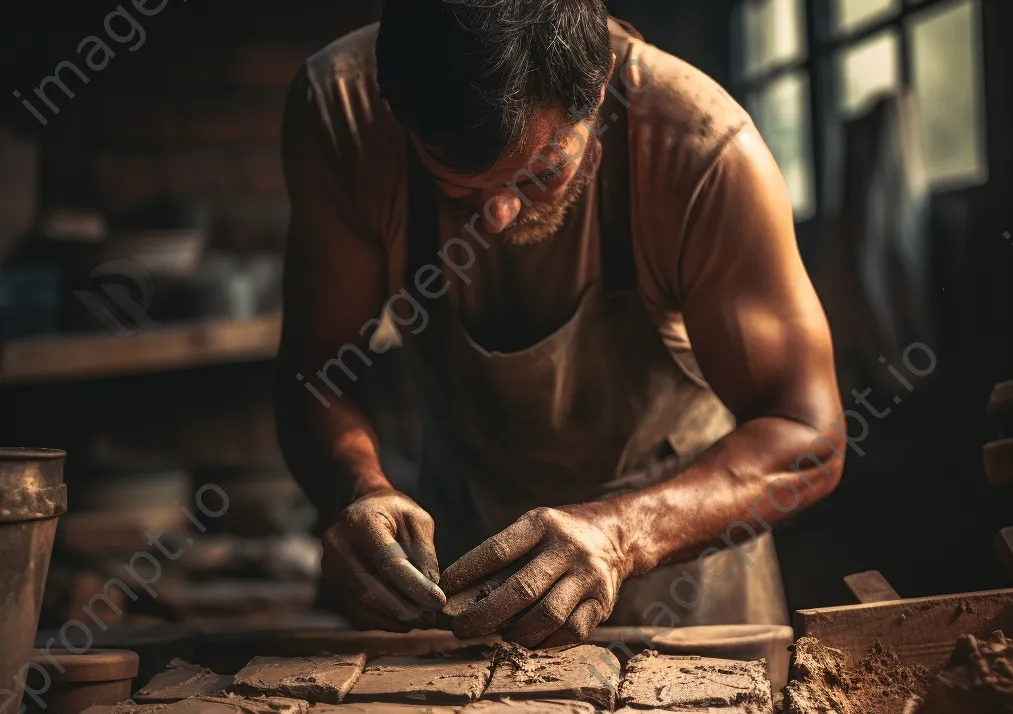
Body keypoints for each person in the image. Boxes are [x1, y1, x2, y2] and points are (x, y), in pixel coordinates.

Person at [275, 0, 845, 646]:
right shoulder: (343, 116)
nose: (498, 215)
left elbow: (809, 435)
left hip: (683, 590)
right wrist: (359, 490)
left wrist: (623, 532)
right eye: (457, 188)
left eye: (542, 173)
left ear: (596, 91)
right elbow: (316, 374)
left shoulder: (702, 151)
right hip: (470, 571)